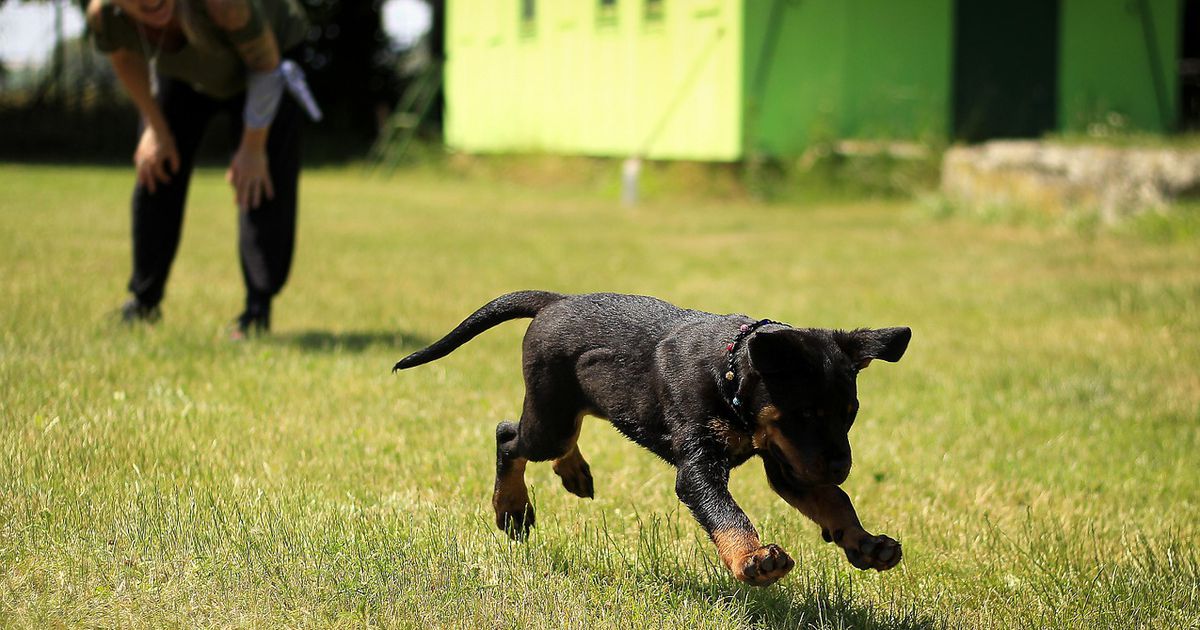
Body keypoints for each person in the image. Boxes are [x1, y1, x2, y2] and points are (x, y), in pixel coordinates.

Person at [87, 0, 321, 337]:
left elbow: (265, 63)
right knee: (156, 165)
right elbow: (124, 56)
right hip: (182, 73)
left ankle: (257, 310)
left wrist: (253, 148)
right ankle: (143, 301)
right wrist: (155, 126)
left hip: (267, 63)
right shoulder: (106, 14)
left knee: (260, 180)